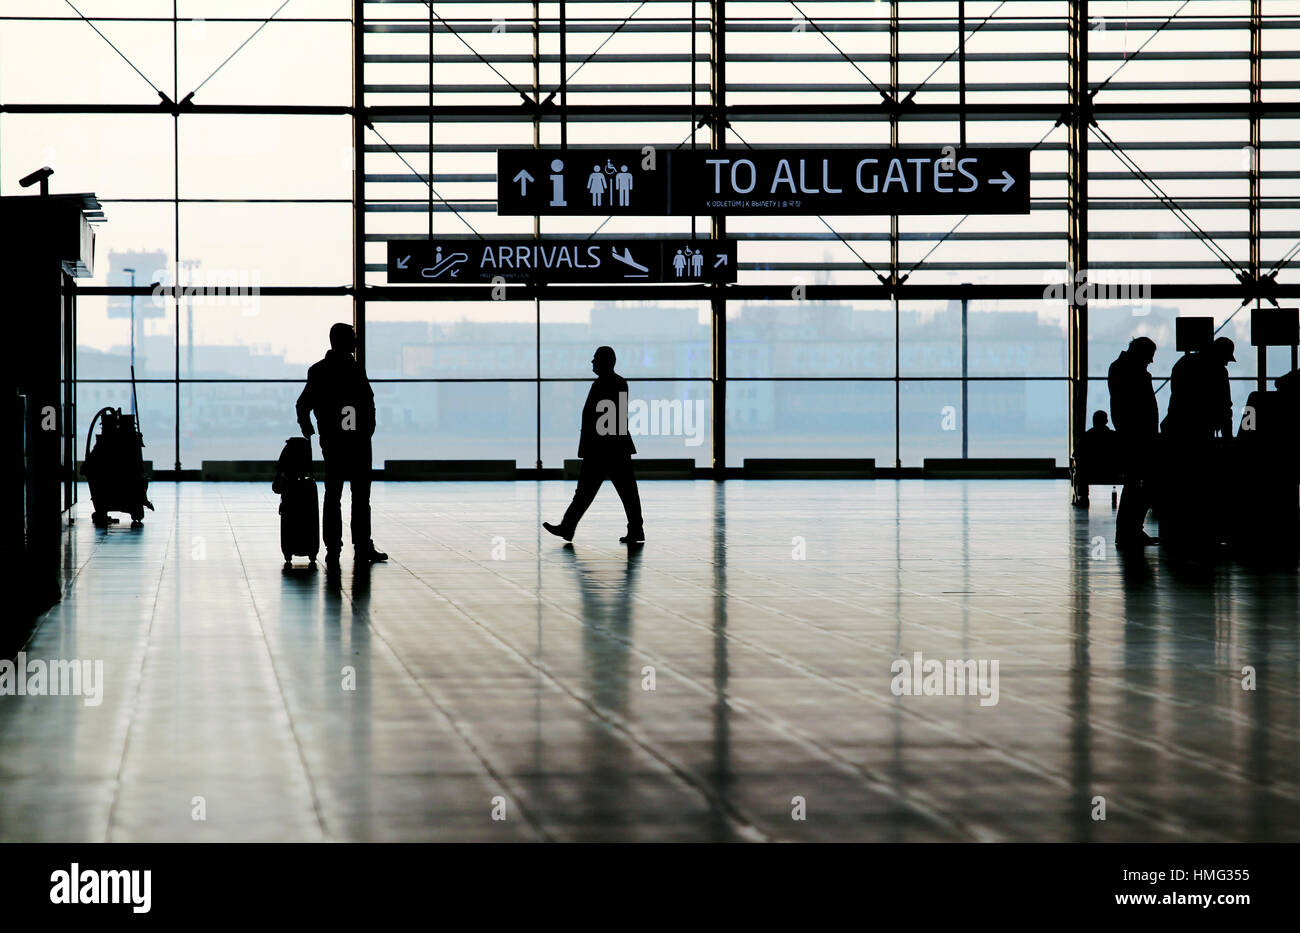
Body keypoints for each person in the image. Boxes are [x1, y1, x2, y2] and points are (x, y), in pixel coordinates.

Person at [296, 323, 387, 567]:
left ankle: (333, 547)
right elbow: (368, 403)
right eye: (353, 339)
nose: (356, 344)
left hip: (333, 442)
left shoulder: (318, 371)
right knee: (360, 496)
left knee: (332, 495)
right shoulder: (355, 369)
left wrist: (311, 430)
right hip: (358, 442)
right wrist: (367, 430)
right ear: (344, 342)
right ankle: (361, 544)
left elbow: (303, 404)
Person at [544, 346, 645, 544]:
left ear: (603, 362)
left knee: (585, 492)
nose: (592, 362)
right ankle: (635, 529)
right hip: (615, 448)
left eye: (595, 359)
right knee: (627, 492)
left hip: (602, 449)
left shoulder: (602, 384)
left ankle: (568, 526)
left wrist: (591, 446)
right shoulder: (618, 383)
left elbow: (599, 418)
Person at [1108, 337, 1159, 547]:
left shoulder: (1120, 368)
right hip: (1137, 437)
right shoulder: (1132, 371)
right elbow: (1138, 404)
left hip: (1132, 435)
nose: (1150, 362)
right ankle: (1131, 531)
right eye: (1148, 358)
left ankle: (1130, 531)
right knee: (1138, 484)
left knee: (1135, 484)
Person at [1162, 336, 1236, 440]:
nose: (1226, 363)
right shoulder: (1219, 372)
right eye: (1225, 359)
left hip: (1176, 425)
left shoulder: (1184, 362)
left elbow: (1177, 393)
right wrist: (1227, 437)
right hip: (1203, 429)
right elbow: (1224, 405)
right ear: (1220, 354)